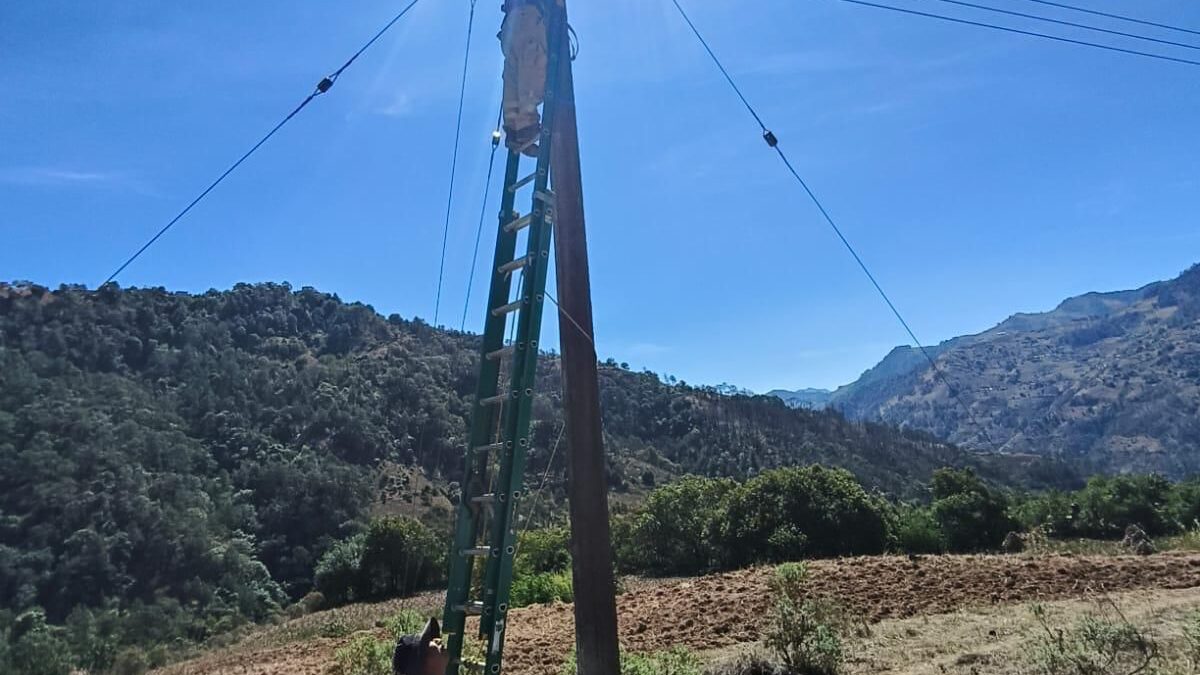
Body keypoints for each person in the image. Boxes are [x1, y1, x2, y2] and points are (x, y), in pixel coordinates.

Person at [499, 0, 555, 156]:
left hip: (512, 24)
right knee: (534, 66)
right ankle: (524, 129)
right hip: (527, 17)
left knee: (514, 77)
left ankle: (515, 131)